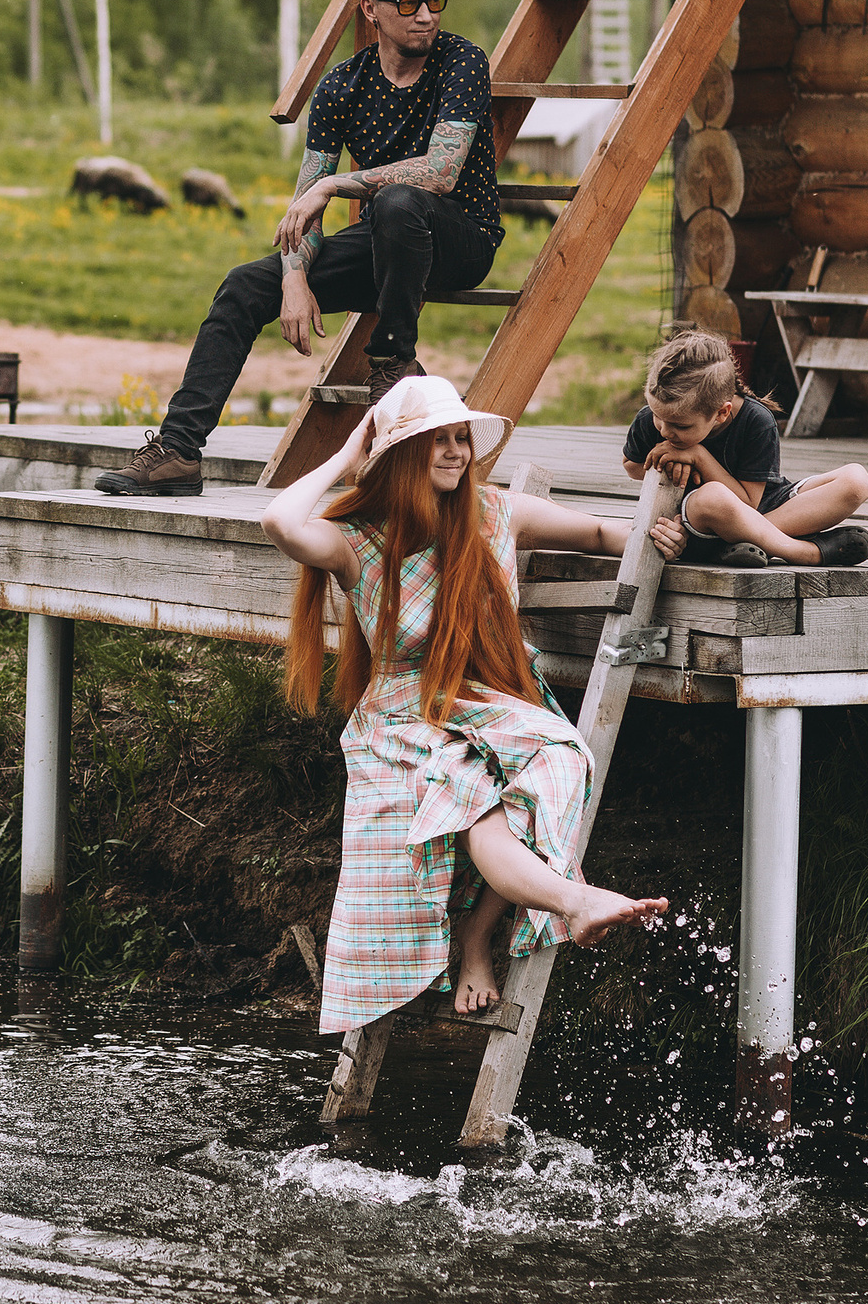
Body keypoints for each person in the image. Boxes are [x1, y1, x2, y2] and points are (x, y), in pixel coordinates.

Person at [263, 375, 671, 1030]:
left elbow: (597, 531)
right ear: (398, 452)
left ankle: (484, 932)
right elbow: (279, 521)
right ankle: (572, 900)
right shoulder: (359, 541)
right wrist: (347, 454)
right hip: (402, 715)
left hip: (491, 702)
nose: (456, 451)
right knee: (467, 786)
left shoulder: (494, 513)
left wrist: (663, 535)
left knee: (563, 758)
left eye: (461, 438)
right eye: (437, 440)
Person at [98, 0, 508, 498]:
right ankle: (178, 450)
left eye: (434, 0)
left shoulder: (462, 61)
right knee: (246, 284)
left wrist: (334, 184)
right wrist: (295, 277)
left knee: (398, 202)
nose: (427, 15)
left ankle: (392, 360)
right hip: (384, 242)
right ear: (371, 9)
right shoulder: (343, 86)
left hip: (461, 237)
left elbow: (439, 173)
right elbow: (304, 209)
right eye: (408, 4)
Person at [628, 329, 868, 568]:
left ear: (721, 413)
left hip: (760, 506)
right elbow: (631, 465)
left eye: (680, 426)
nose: (664, 430)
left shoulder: (757, 421)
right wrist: (665, 463)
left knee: (857, 481)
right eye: (657, 417)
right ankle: (803, 552)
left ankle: (744, 541)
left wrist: (698, 456)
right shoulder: (654, 417)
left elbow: (748, 504)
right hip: (697, 519)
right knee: (713, 496)